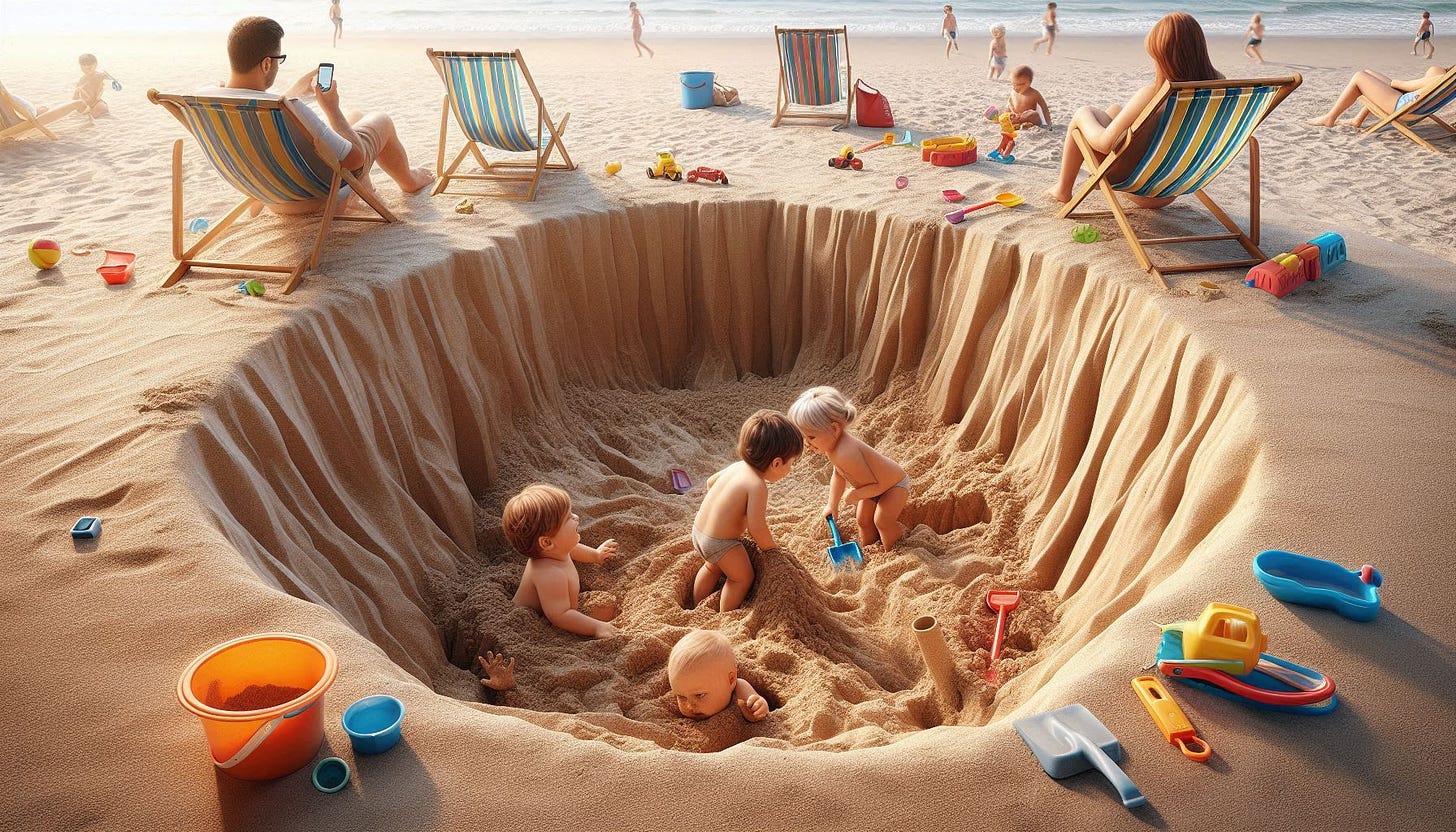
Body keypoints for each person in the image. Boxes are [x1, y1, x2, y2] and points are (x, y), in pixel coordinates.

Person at [199, 17, 433, 215]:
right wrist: (331, 107)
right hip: (319, 198)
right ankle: (409, 181)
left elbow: (255, 104)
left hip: (271, 195)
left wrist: (294, 91)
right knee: (380, 120)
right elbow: (354, 160)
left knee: (356, 116)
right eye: (280, 60)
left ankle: (367, 192)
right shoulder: (290, 108)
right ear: (267, 64)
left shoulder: (203, 100)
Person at [1046, 12, 1224, 208]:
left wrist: (1084, 118)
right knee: (1115, 111)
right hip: (1173, 185)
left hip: (1139, 186)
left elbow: (1105, 144)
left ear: (1163, 57)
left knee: (1084, 116)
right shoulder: (1220, 89)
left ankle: (1063, 189)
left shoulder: (1154, 95)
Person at [691, 410, 802, 613]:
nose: (790, 469)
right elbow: (756, 527)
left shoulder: (738, 466)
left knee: (711, 567)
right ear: (776, 463)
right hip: (720, 542)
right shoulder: (757, 485)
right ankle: (726, 615)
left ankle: (696, 605)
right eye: (791, 463)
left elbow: (710, 482)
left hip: (698, 532)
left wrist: (726, 510)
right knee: (741, 577)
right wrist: (772, 550)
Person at [788, 387, 909, 552]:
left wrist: (856, 494)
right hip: (871, 489)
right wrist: (832, 504)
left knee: (882, 520)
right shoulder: (833, 448)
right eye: (803, 437)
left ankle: (896, 550)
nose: (807, 444)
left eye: (811, 437)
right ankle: (870, 549)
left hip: (893, 486)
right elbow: (838, 474)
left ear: (835, 428)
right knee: (863, 520)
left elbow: (878, 485)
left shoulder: (846, 452)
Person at [504, 484, 620, 638]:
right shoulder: (550, 574)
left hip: (559, 606)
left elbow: (573, 549)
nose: (576, 517)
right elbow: (560, 616)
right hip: (541, 622)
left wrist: (596, 555)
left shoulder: (557, 550)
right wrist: (597, 627)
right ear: (547, 542)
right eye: (568, 518)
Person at [1307, 64, 1453, 128]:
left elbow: (1435, 81)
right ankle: (1357, 120)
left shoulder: (1447, 76)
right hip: (1417, 103)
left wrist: (1399, 83)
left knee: (1360, 76)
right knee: (1368, 73)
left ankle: (1329, 118)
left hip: (1404, 106)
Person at [668, 630, 769, 722]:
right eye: (681, 697)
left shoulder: (740, 688)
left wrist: (758, 707)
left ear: (730, 680)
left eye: (699, 695)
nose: (690, 706)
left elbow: (758, 707)